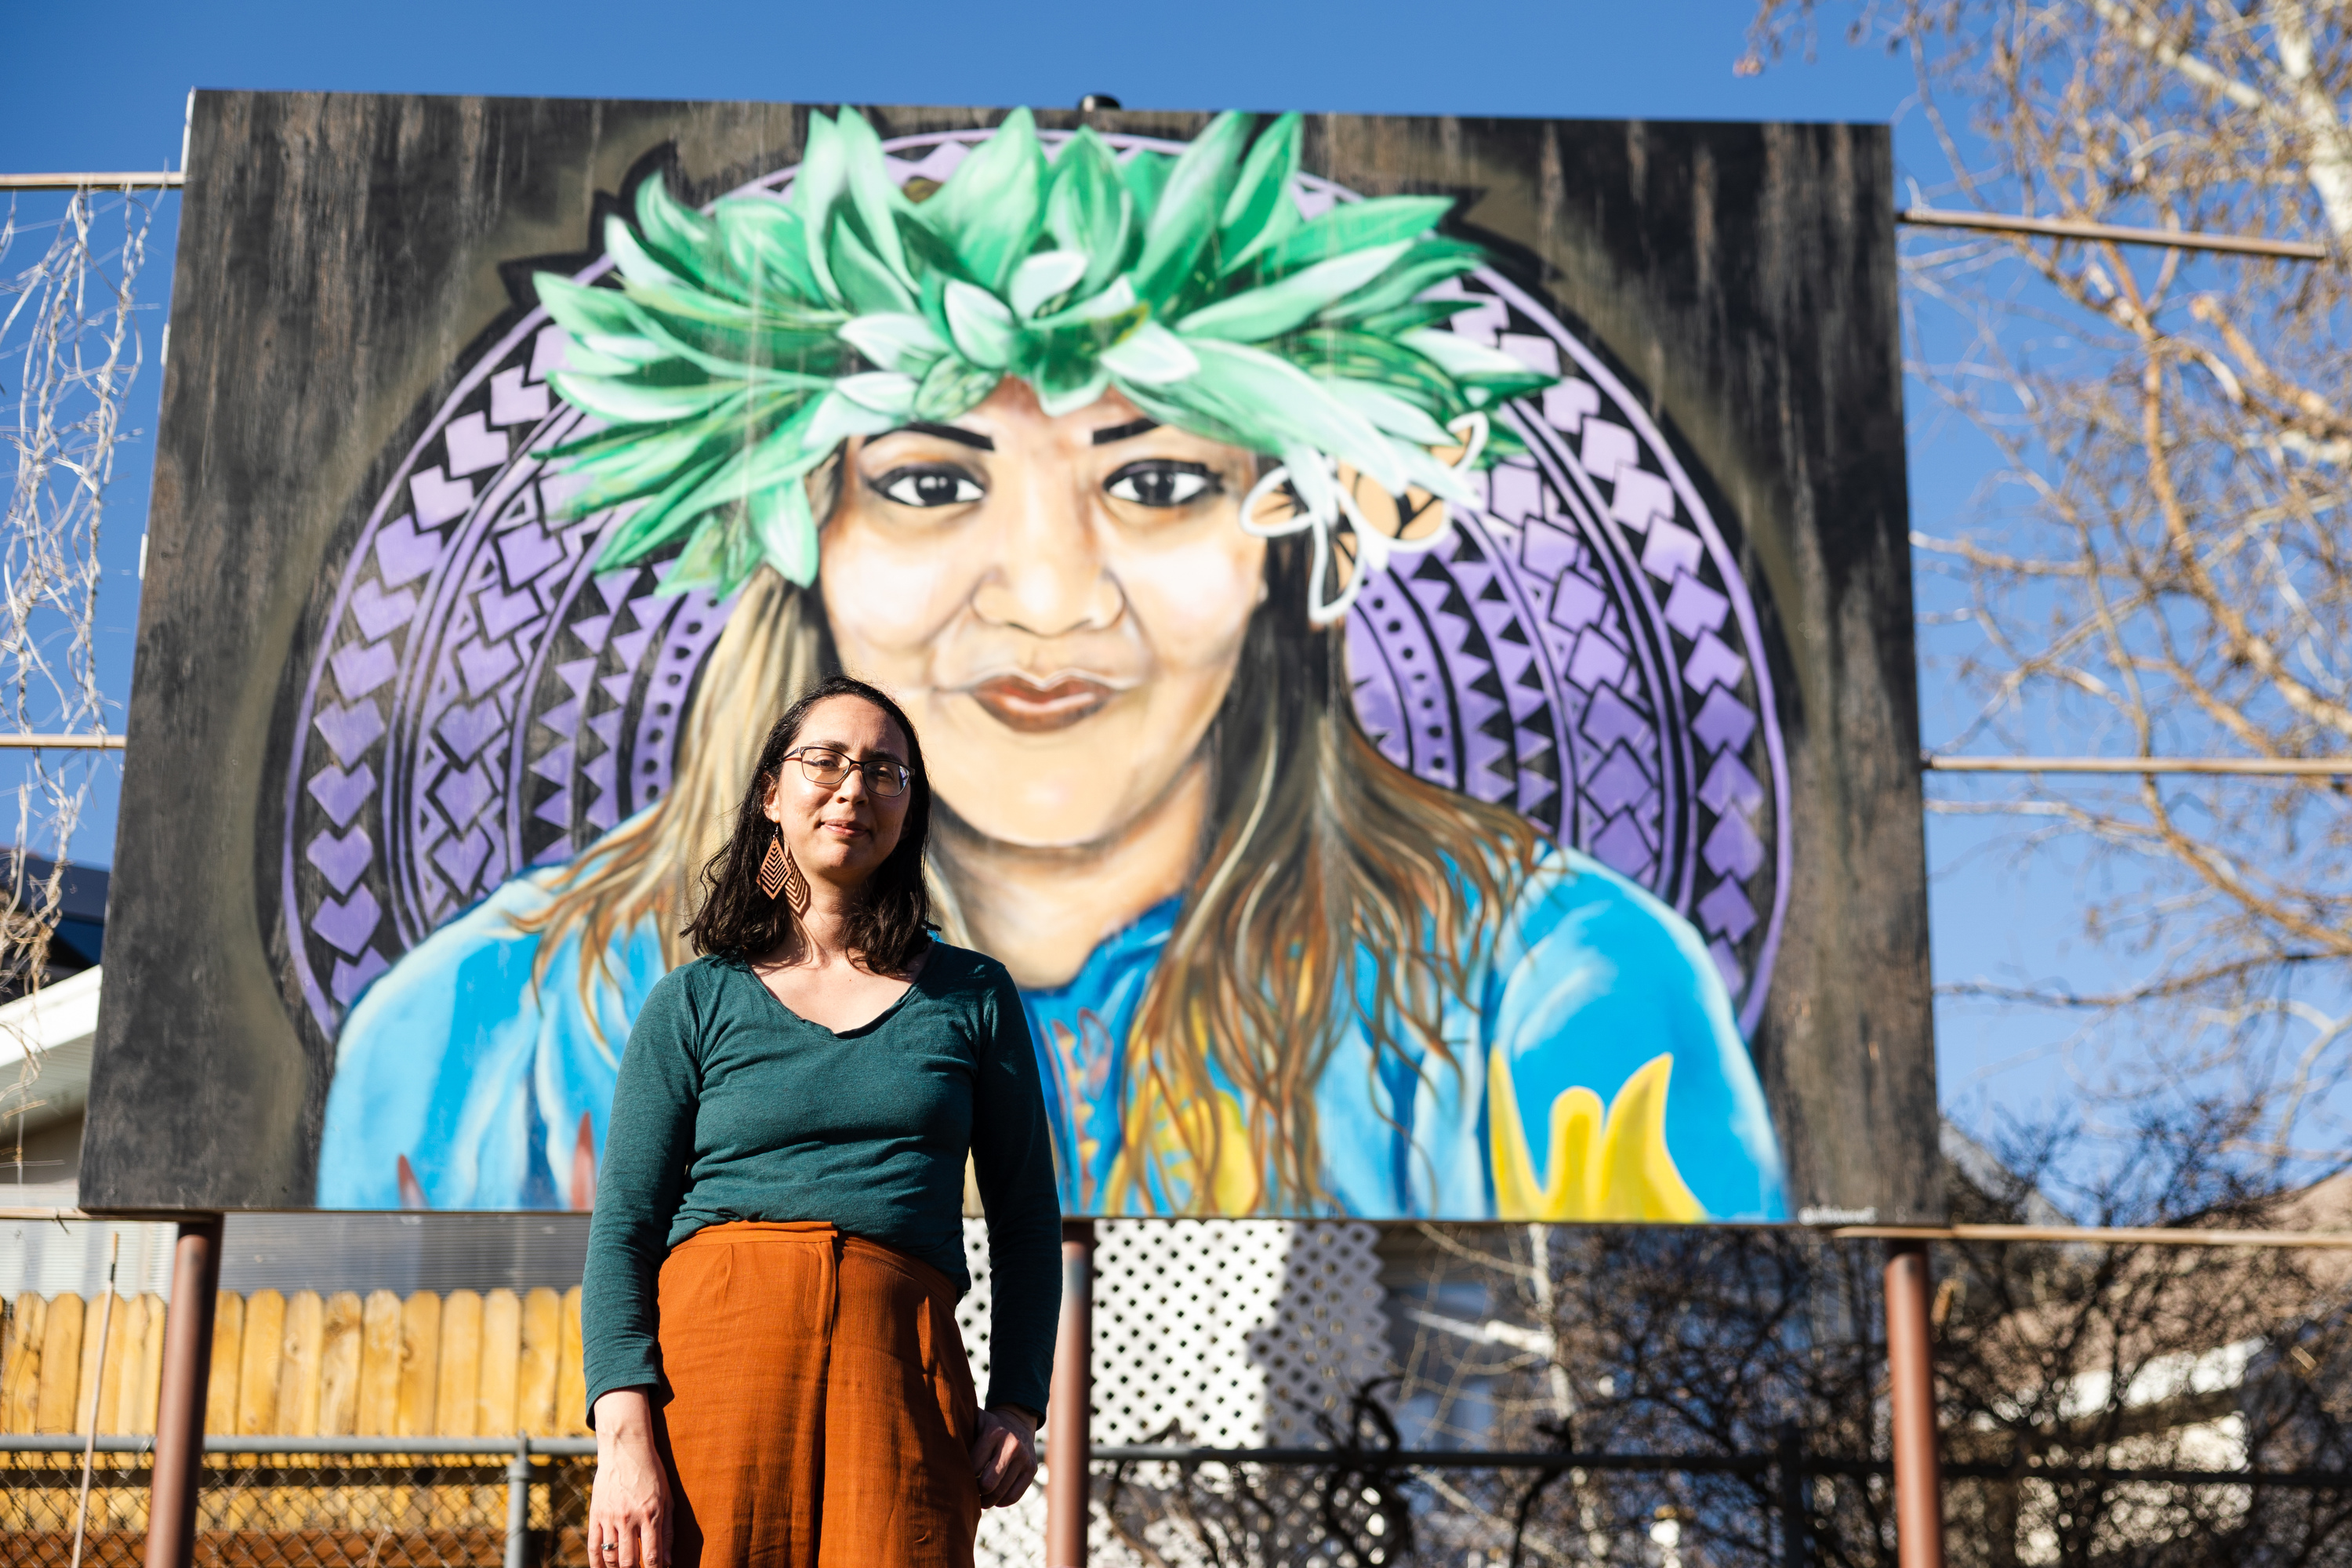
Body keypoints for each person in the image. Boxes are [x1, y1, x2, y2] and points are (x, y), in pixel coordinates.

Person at [316, 106, 1788, 1223]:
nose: (1048, 598)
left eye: (1157, 483)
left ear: (1285, 547)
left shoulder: (1551, 998)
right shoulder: (497, 1033)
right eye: (928, 483)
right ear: (798, 534)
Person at [582, 674, 1060, 1568]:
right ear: (772, 793)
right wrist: (624, 1439)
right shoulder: (693, 1001)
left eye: (885, 770)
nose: (854, 788)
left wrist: (1018, 1402)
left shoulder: (974, 996)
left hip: (900, 1384)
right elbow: (624, 1232)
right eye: (827, 761)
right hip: (712, 1383)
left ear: (909, 809)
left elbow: (1027, 1219)